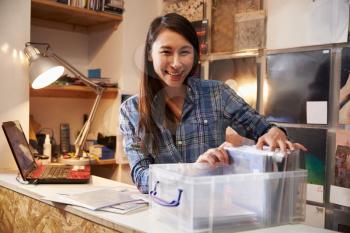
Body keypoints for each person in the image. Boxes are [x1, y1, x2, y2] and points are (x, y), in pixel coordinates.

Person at [119, 13, 306, 193]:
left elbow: (262, 128)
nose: (176, 63)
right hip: (165, 212)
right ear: (150, 54)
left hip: (212, 210)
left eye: (185, 52)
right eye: (166, 52)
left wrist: (275, 133)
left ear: (195, 56)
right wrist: (193, 170)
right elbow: (141, 177)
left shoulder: (216, 93)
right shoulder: (131, 110)